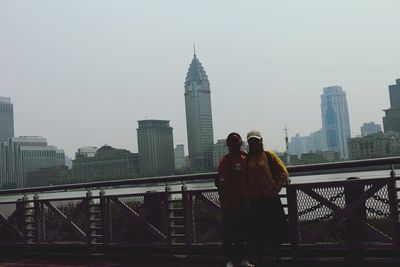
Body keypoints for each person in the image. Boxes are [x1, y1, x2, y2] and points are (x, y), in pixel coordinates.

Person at [243, 130, 289, 266]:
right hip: (255, 201)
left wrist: (276, 188)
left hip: (270, 199)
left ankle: (277, 258)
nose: (254, 143)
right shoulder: (247, 160)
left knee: (274, 230)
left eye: (256, 141)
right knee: (257, 232)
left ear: (261, 141)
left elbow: (283, 172)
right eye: (251, 141)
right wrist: (246, 198)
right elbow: (244, 181)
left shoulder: (269, 156)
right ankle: (260, 259)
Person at [216, 132, 254, 267]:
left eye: (237, 141)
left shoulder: (245, 157)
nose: (234, 143)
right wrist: (226, 206)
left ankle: (243, 259)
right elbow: (224, 185)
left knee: (243, 233)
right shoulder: (225, 161)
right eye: (231, 141)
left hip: (245, 203)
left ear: (241, 142)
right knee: (229, 234)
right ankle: (229, 260)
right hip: (231, 205)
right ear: (228, 144)